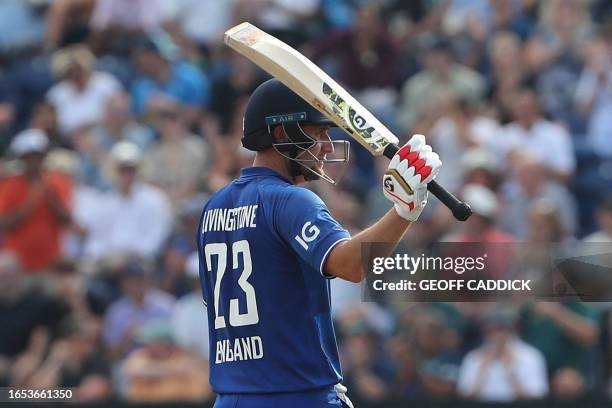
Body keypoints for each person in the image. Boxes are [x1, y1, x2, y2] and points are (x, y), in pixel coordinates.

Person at [196, 79, 442, 407]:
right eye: (317, 133)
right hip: (295, 395)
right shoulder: (292, 200)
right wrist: (405, 211)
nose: (327, 146)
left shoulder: (214, 206)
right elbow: (351, 265)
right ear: (282, 134)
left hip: (231, 399)